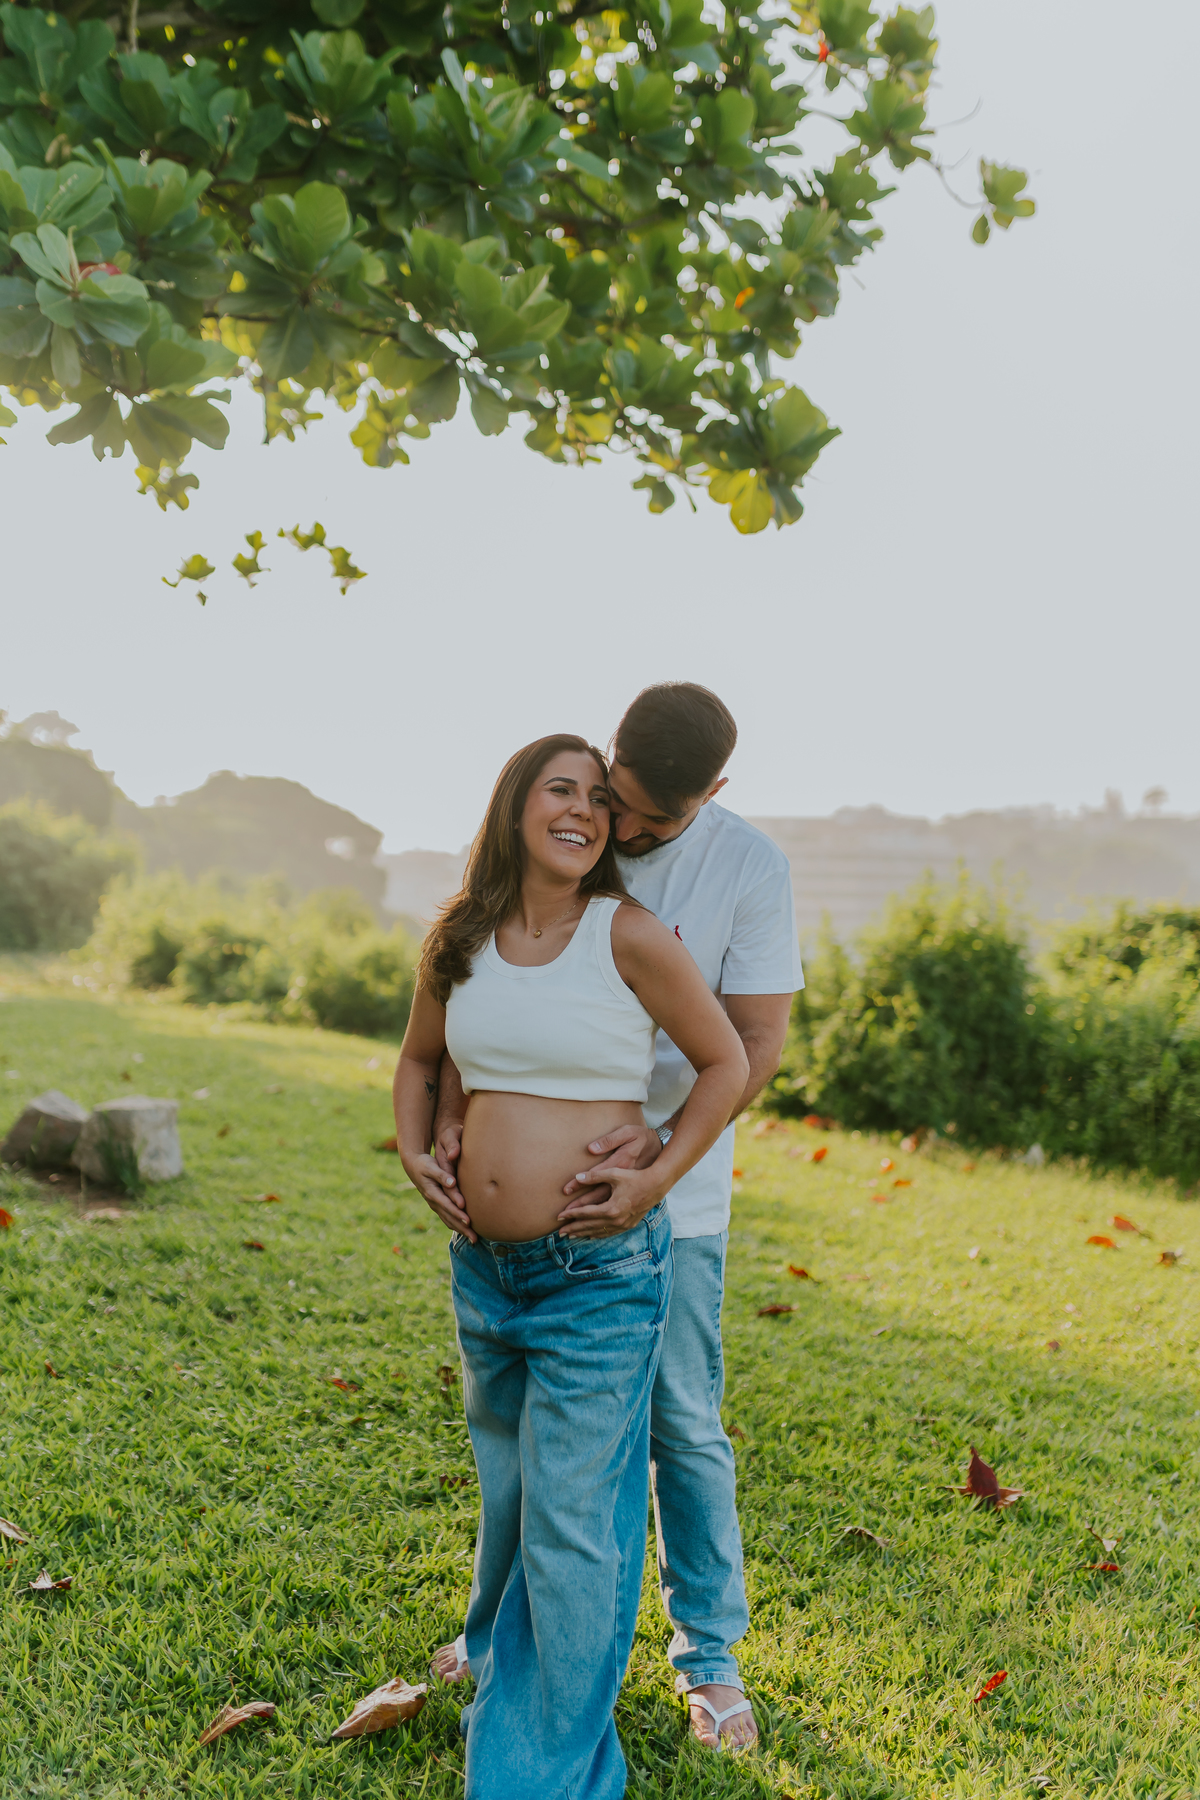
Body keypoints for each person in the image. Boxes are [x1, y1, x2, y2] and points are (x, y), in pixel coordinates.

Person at [428, 685, 803, 1752]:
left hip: (675, 1199)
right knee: (522, 1440)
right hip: (533, 1237)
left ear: (713, 795)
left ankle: (711, 1663)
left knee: (682, 1422)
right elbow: (483, 989)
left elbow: (756, 1044)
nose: (627, 833)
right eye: (620, 801)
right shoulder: (576, 831)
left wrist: (663, 1146)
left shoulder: (748, 869)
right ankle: (500, 1636)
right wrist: (457, 1114)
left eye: (655, 821)